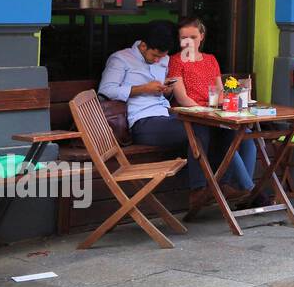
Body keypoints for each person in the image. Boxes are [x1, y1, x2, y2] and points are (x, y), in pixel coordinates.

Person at [99, 20, 249, 210]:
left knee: (222, 128)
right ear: (143, 46)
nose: (157, 60)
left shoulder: (164, 59)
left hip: (166, 114)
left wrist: (166, 89)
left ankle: (223, 185)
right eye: (154, 56)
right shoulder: (121, 59)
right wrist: (143, 89)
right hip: (141, 121)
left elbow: (166, 91)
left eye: (161, 57)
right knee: (198, 128)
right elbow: (106, 90)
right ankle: (198, 190)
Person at [168, 17, 256, 199]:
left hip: (215, 112)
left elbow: (220, 91)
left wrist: (228, 106)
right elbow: (182, 98)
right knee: (215, 136)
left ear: (201, 36)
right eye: (184, 38)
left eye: (193, 37)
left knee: (246, 137)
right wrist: (208, 112)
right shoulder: (176, 61)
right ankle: (250, 191)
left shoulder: (210, 60)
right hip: (194, 115)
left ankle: (237, 188)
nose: (188, 42)